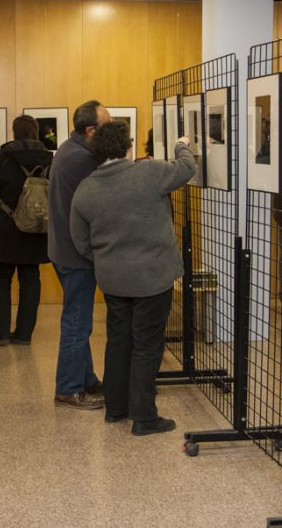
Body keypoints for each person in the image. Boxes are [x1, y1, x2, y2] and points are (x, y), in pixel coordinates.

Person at [70, 121, 194, 435]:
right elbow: (187, 167)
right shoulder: (149, 173)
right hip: (152, 278)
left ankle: (116, 409)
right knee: (148, 346)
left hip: (113, 280)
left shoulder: (85, 189)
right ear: (127, 147)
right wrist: (181, 144)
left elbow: (80, 241)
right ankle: (144, 417)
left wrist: (107, 260)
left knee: (118, 341)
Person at [48, 99, 111, 410]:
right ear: (90, 130)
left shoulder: (70, 148)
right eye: (107, 126)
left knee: (79, 319)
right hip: (75, 255)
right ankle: (68, 388)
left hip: (64, 250)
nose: (111, 132)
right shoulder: (82, 160)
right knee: (77, 322)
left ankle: (86, 379)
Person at [0, 115, 53, 346]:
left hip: (1, 230)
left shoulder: (2, 158)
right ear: (36, 132)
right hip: (37, 230)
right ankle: (24, 334)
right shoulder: (50, 159)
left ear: (14, 132)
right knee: (31, 279)